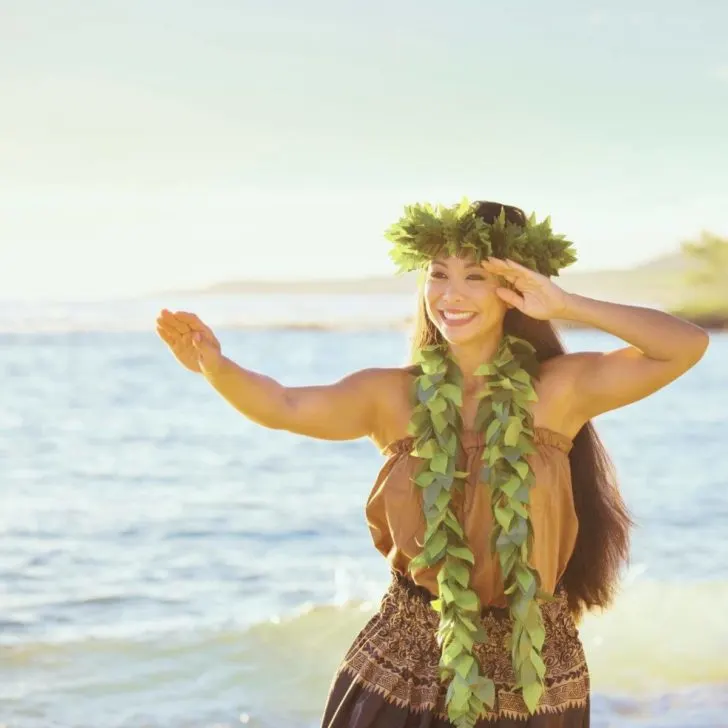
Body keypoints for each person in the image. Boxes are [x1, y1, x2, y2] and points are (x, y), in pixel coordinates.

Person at [155, 200, 709, 728]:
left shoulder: (559, 390)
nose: (451, 293)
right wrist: (215, 366)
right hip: (405, 657)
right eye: (438, 274)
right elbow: (283, 404)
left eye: (476, 276)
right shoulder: (389, 396)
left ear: (514, 289)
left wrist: (565, 304)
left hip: (533, 666)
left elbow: (683, 346)